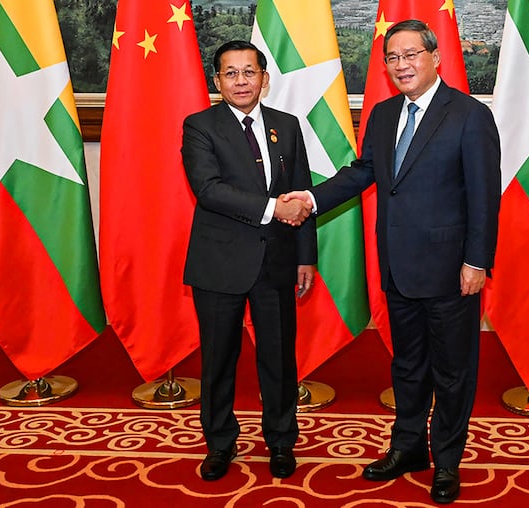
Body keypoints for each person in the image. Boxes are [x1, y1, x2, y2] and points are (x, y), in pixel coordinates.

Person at [284, 19, 501, 504]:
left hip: (451, 270)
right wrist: (311, 199)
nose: (402, 65)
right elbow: (364, 171)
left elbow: (484, 197)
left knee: (452, 372)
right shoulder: (382, 115)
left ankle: (447, 461)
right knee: (407, 366)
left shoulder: (469, 115)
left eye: (411, 55)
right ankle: (408, 448)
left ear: (435, 57)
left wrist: (476, 261)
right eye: (393, 58)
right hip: (398, 266)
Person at [181, 40, 317, 481]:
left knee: (279, 359)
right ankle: (220, 443)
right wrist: (274, 208)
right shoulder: (200, 126)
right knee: (219, 360)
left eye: (249, 72)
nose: (241, 81)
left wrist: (305, 256)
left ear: (264, 78)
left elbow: (302, 193)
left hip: (277, 261)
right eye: (231, 73)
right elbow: (209, 189)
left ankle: (281, 440)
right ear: (217, 81)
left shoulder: (287, 126)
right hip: (220, 263)